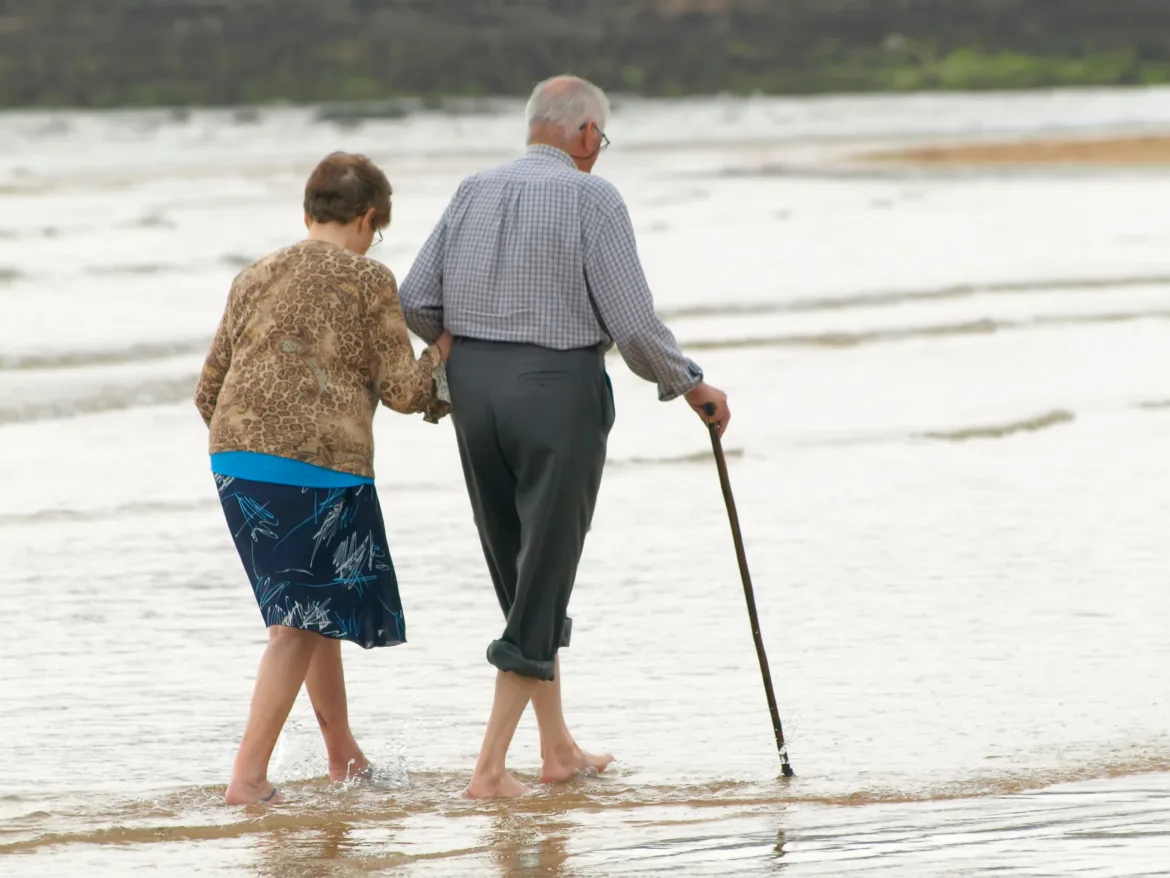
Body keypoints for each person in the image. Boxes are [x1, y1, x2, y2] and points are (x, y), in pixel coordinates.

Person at [398, 75, 731, 799]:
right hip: (556, 394)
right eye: (599, 140)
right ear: (584, 136)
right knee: (542, 580)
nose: (598, 152)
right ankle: (487, 771)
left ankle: (556, 750)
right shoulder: (593, 198)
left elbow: (414, 298)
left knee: (523, 576)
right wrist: (690, 385)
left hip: (475, 396)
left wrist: (460, 342)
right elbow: (633, 324)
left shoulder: (472, 189)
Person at [195, 152, 452, 805]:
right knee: (295, 625)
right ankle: (247, 780)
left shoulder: (254, 274)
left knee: (312, 613)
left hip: (234, 457)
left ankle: (343, 757)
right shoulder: (368, 278)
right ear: (367, 218)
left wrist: (252, 445)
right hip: (315, 466)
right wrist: (443, 355)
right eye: (377, 229)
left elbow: (208, 391)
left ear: (308, 213)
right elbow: (402, 390)